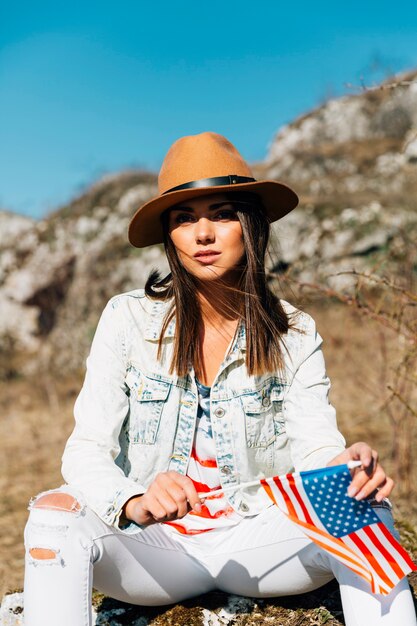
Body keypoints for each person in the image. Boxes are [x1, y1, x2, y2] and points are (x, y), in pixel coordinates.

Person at [23, 132, 416, 626]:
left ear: (250, 224)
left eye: (222, 213)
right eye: (184, 219)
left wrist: (345, 465)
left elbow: (316, 446)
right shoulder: (127, 320)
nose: (202, 234)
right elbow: (85, 450)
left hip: (260, 540)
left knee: (362, 505)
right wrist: (134, 499)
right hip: (157, 549)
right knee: (54, 514)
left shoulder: (293, 330)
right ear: (170, 236)